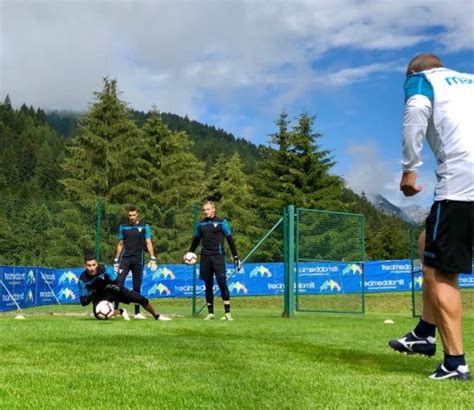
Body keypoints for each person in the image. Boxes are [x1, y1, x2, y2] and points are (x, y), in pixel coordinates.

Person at [389, 53, 473, 381]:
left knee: (441, 273)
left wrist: (409, 171)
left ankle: (455, 363)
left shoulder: (423, 79)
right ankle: (425, 332)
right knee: (428, 242)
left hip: (462, 185)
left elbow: (415, 113)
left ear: (412, 71)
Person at [186, 200, 241, 321]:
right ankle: (211, 313)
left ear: (213, 209)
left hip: (218, 256)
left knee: (222, 283)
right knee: (208, 284)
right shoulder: (200, 224)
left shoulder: (222, 222)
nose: (206, 211)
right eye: (204, 210)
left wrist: (236, 257)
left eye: (208, 209)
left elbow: (230, 240)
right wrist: (190, 253)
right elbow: (195, 240)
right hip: (205, 257)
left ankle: (227, 313)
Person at [78, 255, 171, 321]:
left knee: (142, 299)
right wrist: (90, 296)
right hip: (100, 297)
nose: (92, 268)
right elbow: (83, 302)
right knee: (97, 313)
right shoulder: (82, 280)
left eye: (93, 265)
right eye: (89, 265)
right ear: (85, 266)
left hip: (113, 290)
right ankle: (121, 312)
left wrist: (116, 287)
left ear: (97, 264)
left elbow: (117, 280)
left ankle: (157, 316)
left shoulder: (105, 269)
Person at [114, 206, 157, 320]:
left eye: (134, 215)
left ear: (137, 215)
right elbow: (120, 244)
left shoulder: (144, 227)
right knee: (118, 284)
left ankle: (137, 313)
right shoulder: (123, 227)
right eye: (130, 215)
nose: (132, 217)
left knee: (136, 287)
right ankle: (115, 310)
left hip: (138, 260)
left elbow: (148, 242)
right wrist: (116, 261)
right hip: (125, 260)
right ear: (128, 216)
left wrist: (153, 258)